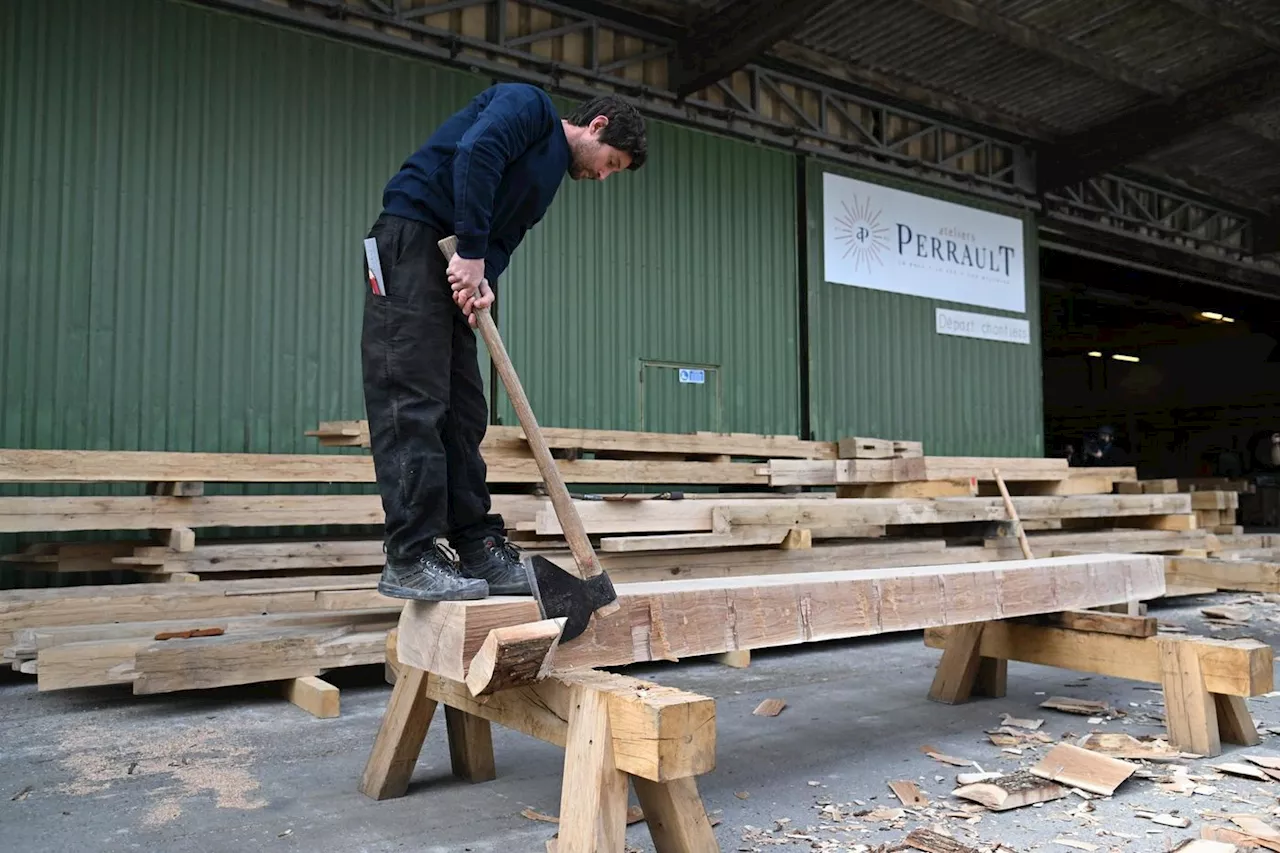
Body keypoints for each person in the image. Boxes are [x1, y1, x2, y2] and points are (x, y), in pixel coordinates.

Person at [360, 84, 647, 602]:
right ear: (597, 125)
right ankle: (411, 554)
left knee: (465, 410)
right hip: (411, 239)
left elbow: (503, 237)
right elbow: (478, 153)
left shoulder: (545, 181)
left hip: (456, 267)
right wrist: (471, 251)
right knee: (412, 399)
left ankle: (476, 546)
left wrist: (484, 273)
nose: (603, 176)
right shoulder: (528, 106)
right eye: (611, 162)